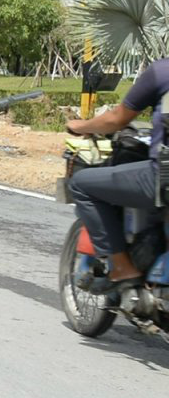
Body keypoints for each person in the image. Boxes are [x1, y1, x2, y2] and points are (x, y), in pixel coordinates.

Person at [64, 58, 169, 307]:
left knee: (81, 184)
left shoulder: (162, 71)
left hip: (162, 180)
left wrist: (81, 126)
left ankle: (122, 267)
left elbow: (116, 119)